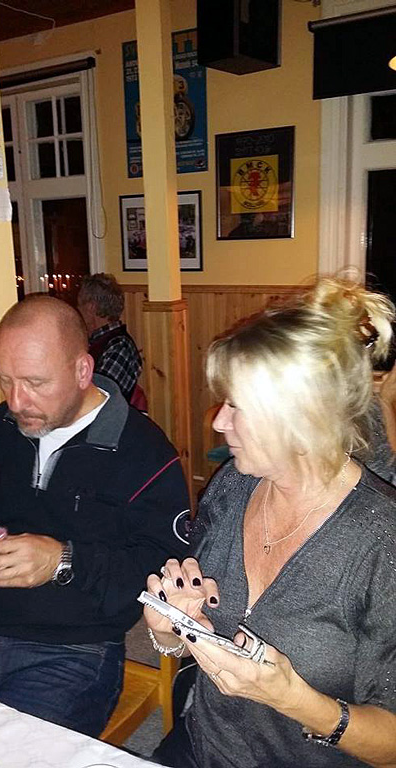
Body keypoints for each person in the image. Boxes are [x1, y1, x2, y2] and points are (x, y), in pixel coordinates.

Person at [144, 278, 396, 768]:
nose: (218, 422)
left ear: (303, 417)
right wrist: (170, 631)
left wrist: (293, 700)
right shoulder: (231, 486)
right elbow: (199, 636)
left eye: (237, 406)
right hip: (202, 746)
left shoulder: (382, 542)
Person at [0, 294, 190, 738]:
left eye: (34, 382)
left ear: (82, 371)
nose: (16, 401)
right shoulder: (4, 425)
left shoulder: (144, 453)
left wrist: (63, 560)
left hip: (74, 653)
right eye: (5, 381)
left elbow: (164, 573)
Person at [77, 273, 143, 403]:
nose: (77, 310)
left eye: (79, 304)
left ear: (91, 307)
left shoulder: (119, 347)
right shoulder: (93, 341)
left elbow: (102, 400)